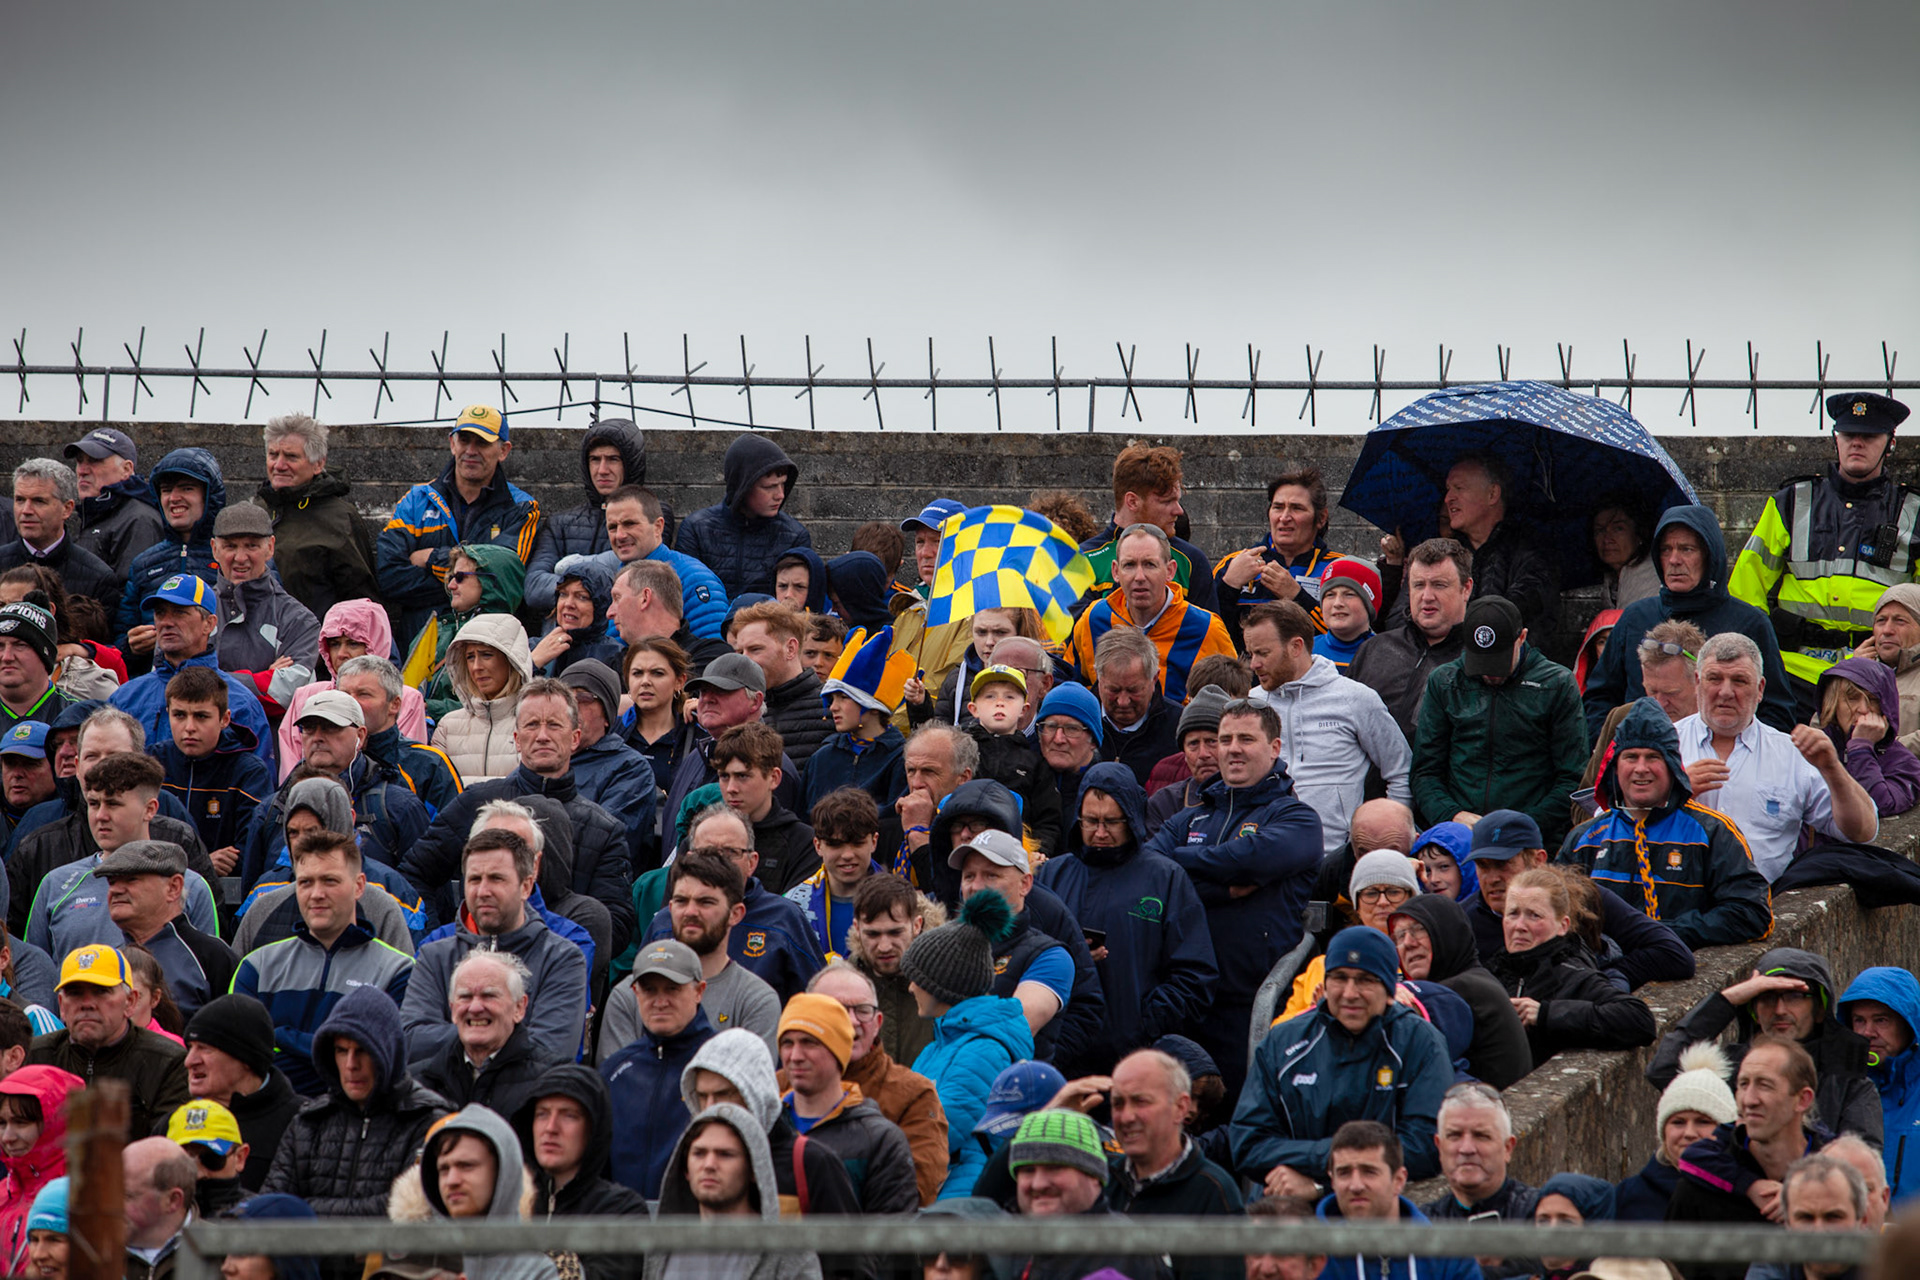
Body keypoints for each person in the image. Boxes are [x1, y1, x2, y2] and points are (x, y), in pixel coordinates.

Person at [1146, 699, 1322, 1091]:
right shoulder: (1190, 817)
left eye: (1246, 739)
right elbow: (1151, 869)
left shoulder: (1296, 818)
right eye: (1225, 739)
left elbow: (1246, 859)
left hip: (1251, 1002)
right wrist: (1222, 888)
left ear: (1274, 748)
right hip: (1183, 997)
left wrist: (1184, 868)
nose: (1232, 749)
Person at [404, 677, 634, 945]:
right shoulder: (476, 802)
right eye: (532, 724)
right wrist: (443, 939)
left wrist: (556, 952)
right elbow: (415, 874)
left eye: (554, 725)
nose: (542, 736)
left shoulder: (604, 829)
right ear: (516, 739)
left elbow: (616, 922)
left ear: (575, 738)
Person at [1730, 392, 1918, 707]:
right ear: (1836, 439)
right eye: (1848, 434)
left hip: (1879, 674)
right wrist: (1759, 656)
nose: (1857, 443)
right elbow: (1744, 593)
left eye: (1869, 436)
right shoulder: (1790, 502)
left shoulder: (1915, 512)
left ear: (1890, 443)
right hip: (1792, 671)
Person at [1232, 927, 1451, 1190]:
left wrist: (1319, 1183)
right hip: (1288, 1202)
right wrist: (1331, 1162)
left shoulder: (1420, 1042)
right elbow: (1248, 1143)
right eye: (1339, 978)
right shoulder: (1283, 1042)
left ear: (1389, 991)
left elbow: (1426, 1146)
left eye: (1365, 980)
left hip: (1380, 1206)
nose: (1349, 993)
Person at [1036, 762, 1216, 1072]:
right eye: (1090, 821)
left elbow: (1195, 975)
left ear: (1131, 817)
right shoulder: (1052, 874)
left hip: (1136, 1058)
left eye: (1111, 822)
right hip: (1061, 1054)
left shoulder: (1165, 878)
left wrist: (1145, 1024)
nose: (1100, 832)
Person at [1559, 697, 1775, 948]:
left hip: (1679, 966)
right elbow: (1553, 912)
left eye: (1653, 757)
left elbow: (1753, 914)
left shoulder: (1712, 832)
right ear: (1615, 768)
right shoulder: (1585, 838)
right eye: (1631, 757)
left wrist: (1662, 934)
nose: (1641, 768)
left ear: (1673, 766)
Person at [1675, 632, 1878, 881]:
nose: (1725, 692)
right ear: (1697, 682)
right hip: (1672, 900)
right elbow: (1630, 825)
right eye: (1714, 678)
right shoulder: (1663, 746)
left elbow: (1863, 832)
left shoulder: (1792, 754)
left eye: (1739, 681)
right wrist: (1674, 795)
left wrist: (1832, 768)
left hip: (1761, 902)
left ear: (1760, 689)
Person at [1585, 505, 1799, 738]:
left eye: (1687, 549)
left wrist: (1735, 750)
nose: (1674, 560)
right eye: (1666, 550)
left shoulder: (1750, 623)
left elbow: (1777, 711)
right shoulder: (1635, 618)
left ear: (1709, 555)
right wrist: (1616, 749)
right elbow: (1599, 698)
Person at [1648, 949, 1881, 1146]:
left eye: (1794, 996)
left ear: (1820, 1010)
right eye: (1767, 997)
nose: (1779, 1010)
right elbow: (1664, 1069)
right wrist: (1728, 999)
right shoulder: (1729, 1068)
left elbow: (1861, 1164)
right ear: (1754, 1012)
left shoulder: (1850, 1084)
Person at [1411, 594, 1588, 849]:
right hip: (1460, 835)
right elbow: (1425, 771)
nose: (1490, 674)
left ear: (1522, 638)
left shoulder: (1556, 684)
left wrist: (1525, 825)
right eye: (1481, 663)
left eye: (1498, 662)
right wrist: (1451, 815)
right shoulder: (1445, 682)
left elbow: (1573, 777)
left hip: (1532, 838)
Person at [401, 828, 589, 1065]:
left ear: (526, 886)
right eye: (474, 879)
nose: (482, 892)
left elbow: (552, 1051)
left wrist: (470, 1037)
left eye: (496, 878)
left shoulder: (562, 958)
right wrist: (492, 1035)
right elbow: (411, 1042)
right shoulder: (434, 956)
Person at [1241, 600, 1411, 856]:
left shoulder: (1355, 698)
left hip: (1335, 857)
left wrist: (1385, 840)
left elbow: (1401, 771)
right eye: (1250, 654)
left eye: (1262, 653)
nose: (1253, 664)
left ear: (1296, 646)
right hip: (1264, 857)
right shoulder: (1251, 704)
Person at [262, 982, 449, 1214]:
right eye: (342, 1051)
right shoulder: (308, 1123)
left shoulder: (427, 1120)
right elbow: (270, 1211)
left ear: (388, 1051)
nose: (351, 1065)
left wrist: (306, 1209)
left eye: (363, 1050)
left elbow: (409, 1211)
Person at [1463, 808, 1694, 991]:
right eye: (1482, 866)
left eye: (1503, 864)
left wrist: (1601, 980)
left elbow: (1674, 953)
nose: (1492, 878)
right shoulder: (1463, 920)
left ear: (1538, 860)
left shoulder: (1582, 897)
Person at [17, 750, 218, 956]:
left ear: (150, 809)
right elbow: (36, 970)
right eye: (94, 804)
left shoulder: (190, 886)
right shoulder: (55, 884)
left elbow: (208, 968)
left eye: (113, 804)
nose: (100, 816)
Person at [900, 889, 1036, 1189]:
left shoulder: (983, 1051)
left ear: (943, 985)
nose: (911, 988)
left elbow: (937, 1133)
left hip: (960, 1194)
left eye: (917, 979)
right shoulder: (938, 1047)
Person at [1666, 1036, 1831, 1280]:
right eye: (1743, 1084)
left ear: (1802, 1099)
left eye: (1765, 1085)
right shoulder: (1697, 1192)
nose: (1749, 1099)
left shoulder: (1836, 1181)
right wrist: (1749, 1185)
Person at [375, 404, 540, 645]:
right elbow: (389, 578)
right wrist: (467, 581)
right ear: (452, 443)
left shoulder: (523, 509)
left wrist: (430, 557)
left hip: (486, 645)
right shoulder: (415, 500)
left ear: (503, 450)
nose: (471, 450)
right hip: (421, 645)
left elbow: (499, 579)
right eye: (464, 440)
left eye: (482, 442)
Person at [599, 852, 779, 1060]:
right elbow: (617, 1076)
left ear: (735, 913)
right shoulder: (631, 994)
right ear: (670, 908)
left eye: (706, 902)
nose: (691, 911)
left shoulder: (756, 1000)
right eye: (681, 901)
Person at [641, 805, 827, 1003]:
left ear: (752, 862)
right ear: (689, 858)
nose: (718, 861)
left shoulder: (783, 918)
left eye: (730, 852)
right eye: (707, 852)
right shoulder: (666, 923)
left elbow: (817, 1001)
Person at [806, 959, 951, 1207]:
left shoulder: (914, 1094)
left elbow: (916, 1192)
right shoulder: (780, 1089)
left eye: (863, 1010)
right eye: (836, 1009)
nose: (852, 1021)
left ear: (878, 1022)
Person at [28, 944, 188, 1154]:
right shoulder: (36, 1056)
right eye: (75, 993)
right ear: (61, 1005)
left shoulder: (167, 1062)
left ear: (130, 1001)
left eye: (101, 992)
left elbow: (170, 1152)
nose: (87, 1004)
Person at [1487, 867, 1655, 1066]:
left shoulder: (1573, 975)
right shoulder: (1491, 973)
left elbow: (1639, 1020)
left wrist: (1545, 1014)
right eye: (1513, 914)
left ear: (1563, 925)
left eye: (1534, 915)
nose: (1519, 926)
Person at [1102, 1048, 1243, 1280]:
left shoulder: (1213, 1192)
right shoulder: (1102, 1181)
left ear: (1180, 1107)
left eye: (1140, 1102)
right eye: (1118, 1104)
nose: (1126, 1117)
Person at [111, 572, 275, 770]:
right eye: (160, 613)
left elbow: (259, 779)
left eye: (179, 612)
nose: (166, 622)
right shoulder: (126, 698)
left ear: (209, 623)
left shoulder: (240, 702)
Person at [644, 1104, 824, 1280]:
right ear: (685, 1169)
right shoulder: (662, 1247)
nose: (709, 1165)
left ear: (754, 1169)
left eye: (725, 1154)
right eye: (699, 1153)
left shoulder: (790, 1253)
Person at [777, 992, 920, 1213]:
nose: (795, 1056)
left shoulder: (879, 1140)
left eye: (809, 1042)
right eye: (787, 1043)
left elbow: (892, 1230)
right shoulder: (763, 1126)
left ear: (838, 1051)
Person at [1066, 523, 1233, 706]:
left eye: (1150, 565)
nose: (1139, 576)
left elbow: (1234, 700)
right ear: (1115, 571)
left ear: (1170, 571)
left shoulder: (1206, 629)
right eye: (1129, 565)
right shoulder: (1094, 619)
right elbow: (1069, 684)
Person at [600, 938, 717, 1199]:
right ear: (635, 992)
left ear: (699, 991)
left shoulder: (723, 1064)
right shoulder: (615, 1071)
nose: (660, 1001)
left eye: (672, 989)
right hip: (623, 1219)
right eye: (650, 990)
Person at [510, 1066, 649, 1280]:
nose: (551, 1128)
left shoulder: (621, 1210)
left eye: (569, 1115)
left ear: (593, 1129)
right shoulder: (510, 1201)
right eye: (542, 1114)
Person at [1003, 1108, 1170, 1280]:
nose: (1039, 1184)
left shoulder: (1127, 1251)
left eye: (1054, 1168)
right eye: (1028, 1170)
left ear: (1094, 1176)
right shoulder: (1008, 1247)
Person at [1387, 898, 1532, 1089]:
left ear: (1447, 932)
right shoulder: (1474, 979)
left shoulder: (1461, 989)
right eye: (1400, 935)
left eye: (1419, 929)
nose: (1408, 943)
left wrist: (1386, 994)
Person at [277, 600, 431, 779]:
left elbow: (409, 767)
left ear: (377, 643)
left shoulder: (406, 698)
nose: (342, 654)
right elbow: (291, 772)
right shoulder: (306, 696)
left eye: (353, 643)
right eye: (334, 644)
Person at [1311, 1120, 1479, 1280]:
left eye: (1369, 1172)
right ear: (1332, 1181)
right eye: (1344, 1173)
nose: (1356, 1185)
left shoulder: (1450, 1256)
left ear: (1399, 1180)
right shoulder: (1310, 1257)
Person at [252, 412, 379, 621]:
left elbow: (361, 601)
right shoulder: (255, 511)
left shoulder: (340, 519)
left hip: (316, 637)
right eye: (273, 455)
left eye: (291, 457)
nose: (279, 465)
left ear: (318, 464)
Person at [92, 838, 237, 1020]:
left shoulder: (211, 957)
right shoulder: (109, 959)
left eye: (131, 880)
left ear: (173, 887)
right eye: (112, 882)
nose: (116, 890)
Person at [523, 418, 657, 612]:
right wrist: (586, 590)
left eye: (613, 459)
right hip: (561, 630)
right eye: (595, 459)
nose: (602, 470)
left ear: (631, 464)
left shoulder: (652, 514)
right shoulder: (560, 523)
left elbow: (636, 580)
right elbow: (534, 588)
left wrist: (567, 577)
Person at [414, 1105, 560, 1280]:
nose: (452, 1180)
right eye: (444, 1169)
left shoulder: (544, 1270)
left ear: (502, 1173)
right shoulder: (416, 1259)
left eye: (466, 1166)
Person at [1350, 538, 1473, 743]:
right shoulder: (1374, 649)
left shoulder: (1479, 660)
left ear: (1466, 588)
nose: (1427, 596)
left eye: (1439, 585)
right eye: (1418, 585)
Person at [154, 666, 273, 876]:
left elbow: (251, 850)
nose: (189, 727)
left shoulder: (249, 773)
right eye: (179, 715)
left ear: (224, 719)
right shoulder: (153, 763)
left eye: (201, 716)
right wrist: (201, 863)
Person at [115, 447, 228, 669]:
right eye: (166, 490)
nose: (174, 498)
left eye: (187, 488)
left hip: (220, 681)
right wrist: (130, 647)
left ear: (209, 496)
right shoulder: (144, 564)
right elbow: (119, 640)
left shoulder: (235, 559)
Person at [210, 502, 322, 721]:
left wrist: (207, 680)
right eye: (230, 546)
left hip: (267, 741)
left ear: (270, 547)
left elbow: (288, 695)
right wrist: (261, 679)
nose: (240, 557)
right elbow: (171, 683)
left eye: (251, 546)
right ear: (215, 549)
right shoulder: (193, 611)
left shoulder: (300, 621)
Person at [415, 948, 555, 1122]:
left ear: (519, 1008)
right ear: (452, 1009)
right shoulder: (419, 1082)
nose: (475, 1008)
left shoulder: (552, 1083)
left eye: (489, 996)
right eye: (465, 996)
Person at [1081, 443, 1218, 617]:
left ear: (1170, 569)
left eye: (1150, 565)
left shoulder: (1192, 561)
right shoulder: (1083, 560)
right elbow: (1077, 631)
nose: (1179, 511)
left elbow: (1209, 630)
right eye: (1167, 501)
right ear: (1132, 502)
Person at [181, 993, 300, 1190]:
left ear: (246, 1059)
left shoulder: (302, 1126)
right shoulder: (176, 1122)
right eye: (190, 1048)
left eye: (204, 1048)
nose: (189, 1061)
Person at [675, 433, 814, 599]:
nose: (780, 495)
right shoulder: (696, 529)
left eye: (783, 484)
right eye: (769, 487)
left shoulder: (794, 536)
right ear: (743, 487)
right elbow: (684, 595)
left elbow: (796, 602)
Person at [1214, 467, 1338, 650]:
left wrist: (1297, 596)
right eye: (1278, 507)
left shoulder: (1339, 568)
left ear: (1321, 518)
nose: (1284, 517)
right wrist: (1228, 586)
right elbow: (1206, 632)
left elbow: (1343, 638)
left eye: (1297, 508)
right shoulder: (1233, 564)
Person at [1617, 1041, 1739, 1222]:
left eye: (1703, 1122)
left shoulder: (1748, 1193)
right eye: (1678, 1122)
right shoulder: (1629, 1196)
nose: (1689, 1133)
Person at [406, 543, 528, 723]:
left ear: (491, 582)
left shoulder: (506, 639)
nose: (451, 585)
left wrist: (429, 708)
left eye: (460, 577)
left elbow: (496, 707)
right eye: (451, 577)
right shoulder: (438, 628)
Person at [333, 654, 463, 819]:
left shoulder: (428, 764)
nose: (350, 703)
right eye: (344, 695)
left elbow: (454, 828)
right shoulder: (321, 759)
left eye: (363, 694)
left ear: (394, 705)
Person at [555, 658, 658, 861]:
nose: (571, 708)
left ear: (606, 713)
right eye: (564, 699)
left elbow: (603, 841)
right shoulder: (542, 758)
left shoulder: (630, 769)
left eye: (583, 698)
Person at [807, 626, 912, 814]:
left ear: (873, 707)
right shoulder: (822, 758)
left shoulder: (901, 760)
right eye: (832, 699)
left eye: (843, 698)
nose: (833, 707)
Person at [1836, 966, 1920, 1200]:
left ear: (1908, 1024)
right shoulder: (1836, 1087)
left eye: (1881, 1020)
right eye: (1859, 1020)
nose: (1868, 1032)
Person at [1421, 1083, 1537, 1241]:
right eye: (1455, 1135)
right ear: (1439, 1147)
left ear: (1507, 1148)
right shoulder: (1421, 1225)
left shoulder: (1540, 1217)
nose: (1466, 1148)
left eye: (1481, 1136)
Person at [0, 461, 118, 616]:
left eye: (39, 501)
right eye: (20, 500)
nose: (26, 510)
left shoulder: (98, 577)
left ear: (67, 509)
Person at [849, 875, 942, 1068]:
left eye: (895, 933)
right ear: (857, 928)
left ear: (917, 925)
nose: (884, 947)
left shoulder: (948, 982)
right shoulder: (841, 988)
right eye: (873, 934)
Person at [715, 722, 818, 895]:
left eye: (742, 776)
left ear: (774, 778)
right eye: (724, 776)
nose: (731, 788)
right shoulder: (702, 838)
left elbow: (793, 910)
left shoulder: (804, 844)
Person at [0, 1065, 81, 1275]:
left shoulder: (86, 1199)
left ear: (56, 1123)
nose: (7, 1137)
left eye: (21, 1123)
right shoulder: (3, 1193)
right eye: (2, 1123)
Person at [1813, 656, 1920, 814]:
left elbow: (1879, 806)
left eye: (1873, 700)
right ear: (1833, 704)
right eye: (1852, 698)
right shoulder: (1812, 751)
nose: (1863, 709)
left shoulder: (1904, 762)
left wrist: (1861, 748)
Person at [787, 786, 882, 959]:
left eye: (857, 843)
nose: (847, 855)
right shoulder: (793, 906)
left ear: (874, 842)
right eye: (835, 845)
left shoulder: (902, 902)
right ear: (817, 845)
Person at [735, 600, 833, 765]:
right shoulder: (741, 711)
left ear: (790, 648)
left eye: (755, 649)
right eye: (740, 652)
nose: (744, 660)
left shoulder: (832, 707)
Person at [64, 428, 166, 580]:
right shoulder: (94, 513)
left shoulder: (139, 520)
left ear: (126, 469)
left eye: (94, 460)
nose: (82, 471)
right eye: (79, 461)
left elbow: (131, 587)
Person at [608, 559, 731, 672]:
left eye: (617, 598)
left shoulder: (712, 657)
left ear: (645, 598)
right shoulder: (615, 666)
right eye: (638, 674)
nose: (609, 613)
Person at [1142, 685, 1226, 837]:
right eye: (1193, 744)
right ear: (1184, 753)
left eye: (1212, 741)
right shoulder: (1164, 804)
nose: (1203, 754)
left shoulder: (1255, 800)